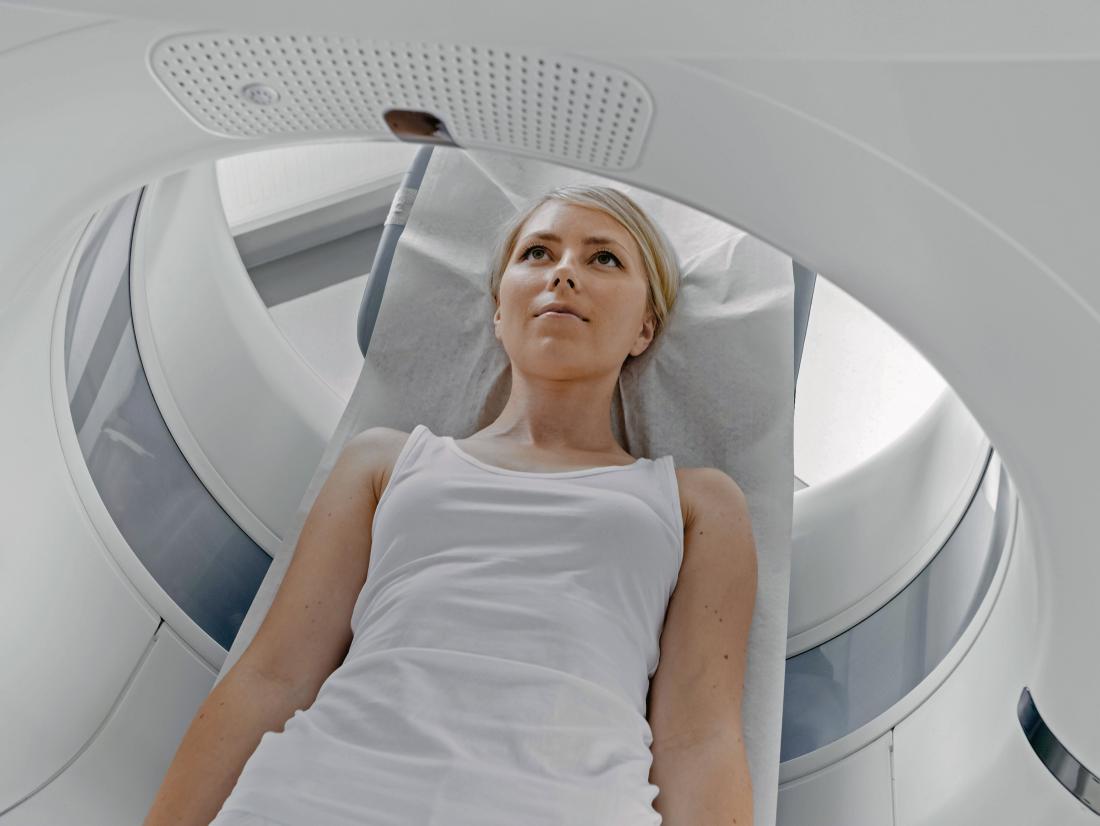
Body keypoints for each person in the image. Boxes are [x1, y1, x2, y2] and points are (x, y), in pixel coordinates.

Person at [145, 184, 758, 826]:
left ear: (645, 327)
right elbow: (273, 677)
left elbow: (700, 739)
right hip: (319, 794)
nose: (564, 272)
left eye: (603, 258)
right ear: (499, 311)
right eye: (538, 253)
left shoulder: (695, 502)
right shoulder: (385, 462)